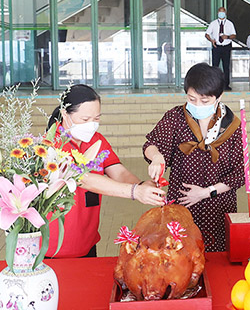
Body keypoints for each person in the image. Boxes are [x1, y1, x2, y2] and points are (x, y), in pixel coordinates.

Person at [45, 84, 165, 258]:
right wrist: (135, 192)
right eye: (85, 119)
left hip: (87, 241)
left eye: (96, 119)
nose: (91, 125)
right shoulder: (51, 145)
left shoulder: (97, 140)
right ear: (65, 114)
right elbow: (84, 179)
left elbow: (118, 171)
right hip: (54, 247)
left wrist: (142, 185)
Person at [142, 63, 245, 252]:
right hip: (182, 204)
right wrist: (156, 157)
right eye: (192, 99)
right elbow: (151, 144)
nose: (197, 105)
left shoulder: (232, 126)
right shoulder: (176, 117)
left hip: (218, 206)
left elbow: (240, 173)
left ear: (219, 97)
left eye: (205, 101)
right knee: (179, 253)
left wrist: (206, 192)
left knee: (217, 256)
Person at [204, 6, 237, 91]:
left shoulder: (229, 23)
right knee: (215, 66)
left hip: (226, 46)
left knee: (226, 66)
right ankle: (214, 85)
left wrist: (227, 37)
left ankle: (226, 85)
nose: (221, 13)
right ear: (217, 13)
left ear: (225, 13)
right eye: (220, 12)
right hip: (217, 46)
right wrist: (211, 40)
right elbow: (207, 34)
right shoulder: (213, 23)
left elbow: (234, 35)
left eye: (223, 12)